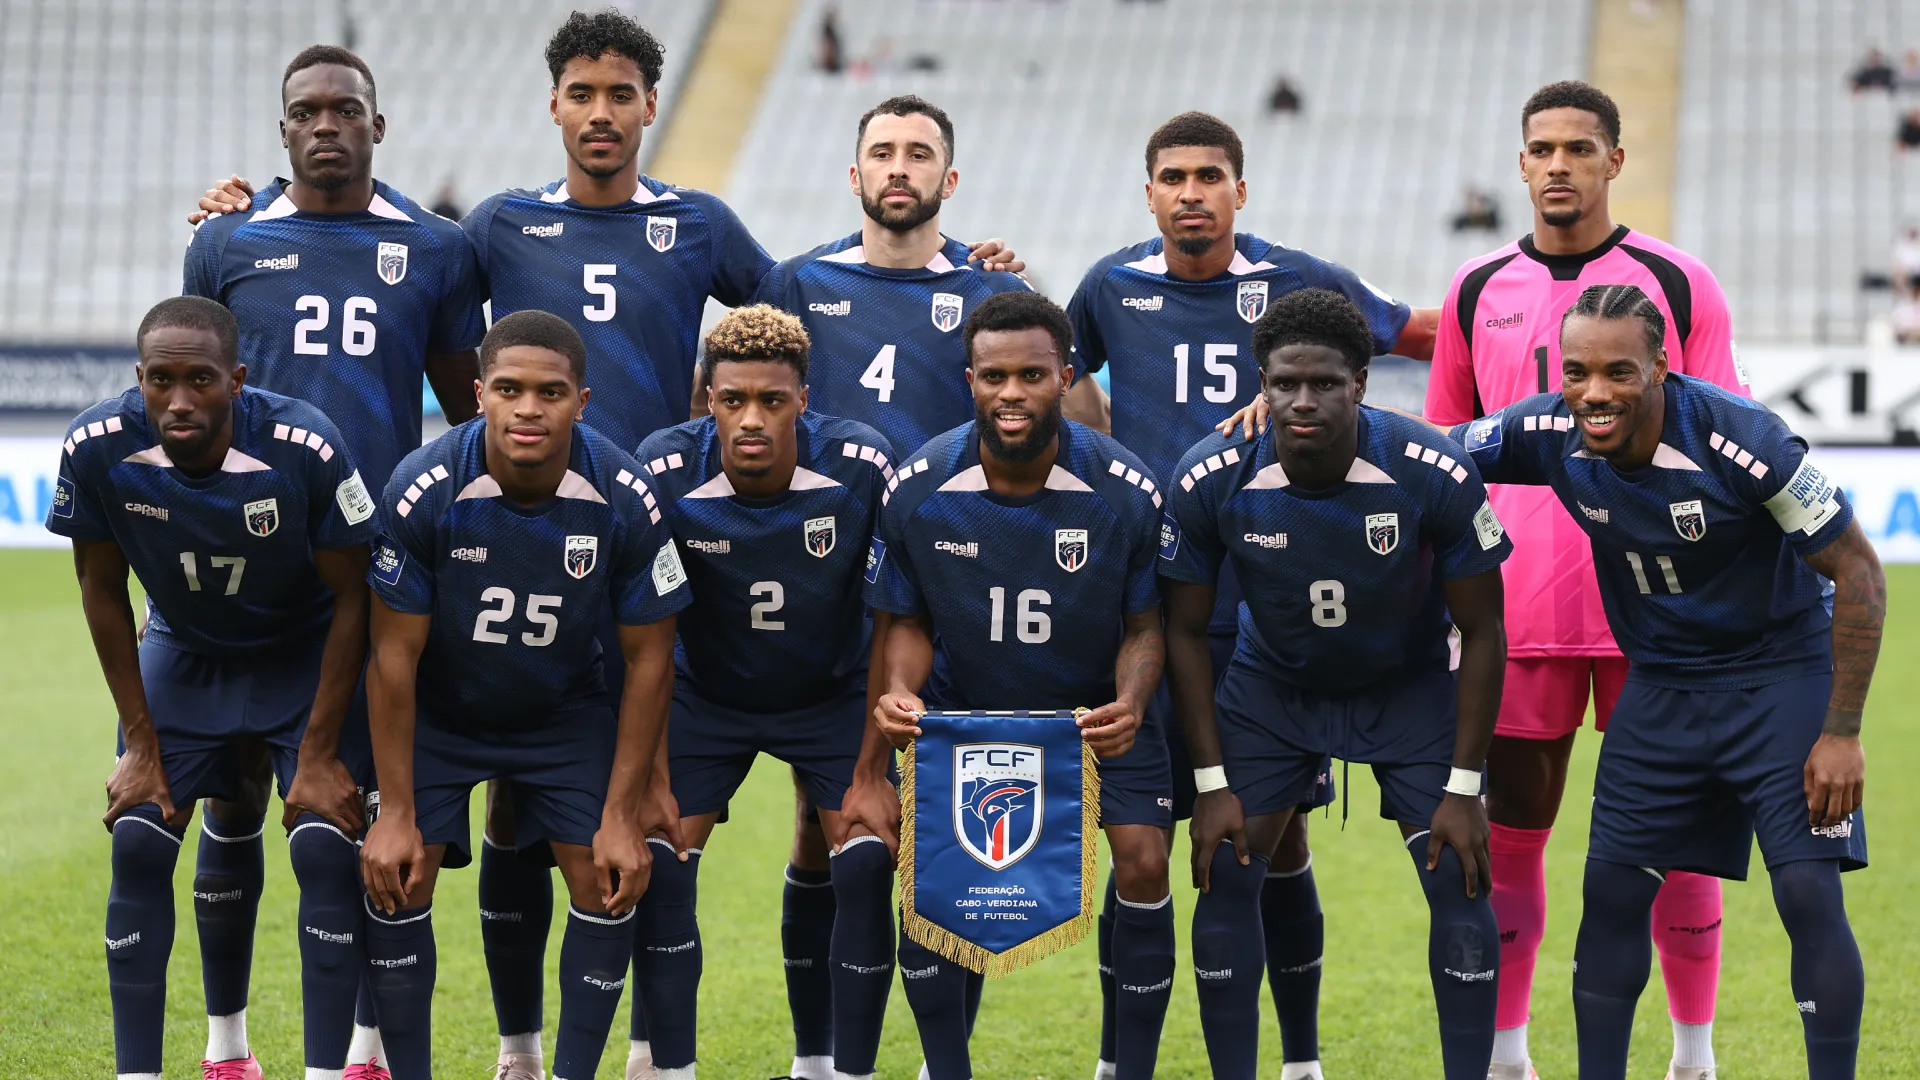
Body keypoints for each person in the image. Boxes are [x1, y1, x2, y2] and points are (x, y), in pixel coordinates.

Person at [1065, 110, 1438, 1080]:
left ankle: (1302, 1059)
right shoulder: (1109, 285)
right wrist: (1100, 454)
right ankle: (1118, 1060)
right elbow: (1053, 374)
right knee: (1138, 843)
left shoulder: (1300, 281)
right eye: (1174, 177)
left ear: (1242, 189)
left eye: (1211, 175)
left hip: (1267, 609)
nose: (1192, 192)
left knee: (1272, 845)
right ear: (1148, 193)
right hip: (1149, 607)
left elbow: (1417, 336)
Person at [1451, 283, 1881, 1080]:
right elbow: (1434, 450)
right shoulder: (1548, 427)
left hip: (1779, 678)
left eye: (1618, 372)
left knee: (1808, 897)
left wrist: (1842, 731)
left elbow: (1858, 572)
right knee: (1610, 897)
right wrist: (1309, 419)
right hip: (1662, 684)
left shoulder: (1743, 439)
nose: (1594, 393)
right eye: (1576, 372)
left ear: (1660, 365)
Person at [1420, 81, 1750, 1080]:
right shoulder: (1476, 289)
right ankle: (1511, 1056)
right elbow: (1445, 453)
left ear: (1614, 160)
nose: (1558, 164)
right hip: (1518, 611)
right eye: (1540, 149)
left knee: (1683, 848)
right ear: (1519, 166)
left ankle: (1693, 1056)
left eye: (1578, 147)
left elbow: (1728, 445)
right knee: (1512, 842)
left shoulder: (1678, 283)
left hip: (1663, 616)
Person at [180, 46, 487, 1077]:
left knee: (354, 806)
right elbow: (195, 386)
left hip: (374, 570)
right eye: (305, 111)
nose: (326, 125)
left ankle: (361, 1049)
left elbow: (466, 406)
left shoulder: (435, 250)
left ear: (376, 126)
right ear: (282, 133)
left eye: (345, 110)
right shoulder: (224, 243)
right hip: (250, 564)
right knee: (228, 796)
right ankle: (227, 1048)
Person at [1161, 288, 1510, 1080]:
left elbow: (1485, 631)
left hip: (1408, 689)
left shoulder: (1430, 467)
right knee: (1224, 874)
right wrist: (1211, 783)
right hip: (1273, 693)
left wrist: (1463, 788)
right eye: (1285, 383)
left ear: (1361, 379)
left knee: (1461, 876)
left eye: (1325, 383)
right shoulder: (1212, 473)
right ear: (1261, 381)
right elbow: (1182, 630)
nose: (1304, 400)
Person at [49, 296, 379, 1080]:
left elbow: (355, 595)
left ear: (236, 379)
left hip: (300, 657)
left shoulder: (305, 445)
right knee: (136, 835)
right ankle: (191, 1062)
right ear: (139, 378)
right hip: (183, 649)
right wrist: (138, 742)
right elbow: (100, 587)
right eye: (161, 380)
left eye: (201, 380)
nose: (180, 400)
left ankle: (328, 1073)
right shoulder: (97, 446)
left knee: (328, 851)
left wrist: (325, 750)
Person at [357, 310, 689, 1080]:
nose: (528, 408)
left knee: (609, 881)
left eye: (550, 392)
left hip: (561, 711)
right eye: (509, 389)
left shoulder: (624, 493)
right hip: (443, 711)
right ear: (479, 395)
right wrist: (397, 813)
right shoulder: (424, 488)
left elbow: (650, 659)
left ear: (583, 401)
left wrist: (622, 811)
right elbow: (393, 659)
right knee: (397, 878)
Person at [866, 292, 1174, 1080]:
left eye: (1032, 375)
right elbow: (905, 620)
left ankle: (1124, 1067)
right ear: (968, 378)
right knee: (937, 889)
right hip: (970, 716)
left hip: (1094, 717)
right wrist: (902, 692)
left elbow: (1146, 626)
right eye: (994, 376)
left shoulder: (1124, 489)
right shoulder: (919, 485)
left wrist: (1132, 703)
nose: (1012, 393)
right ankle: (947, 1070)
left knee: (1142, 860)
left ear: (1065, 376)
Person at [629, 306, 895, 1080]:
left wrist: (874, 769)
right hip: (707, 692)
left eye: (772, 402)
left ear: (803, 401)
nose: (752, 419)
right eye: (732, 399)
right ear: (705, 399)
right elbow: (641, 623)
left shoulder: (861, 464)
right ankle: (663, 1065)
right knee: (661, 856)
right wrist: (647, 772)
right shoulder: (664, 469)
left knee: (867, 859)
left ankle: (837, 1069)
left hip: (830, 691)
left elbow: (894, 615)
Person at [752, 94, 1033, 463]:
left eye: (918, 155)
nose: (898, 169)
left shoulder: (996, 292)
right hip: (826, 514)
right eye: (882, 154)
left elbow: (1071, 412)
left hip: (943, 515)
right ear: (855, 177)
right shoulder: (795, 283)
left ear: (950, 181)